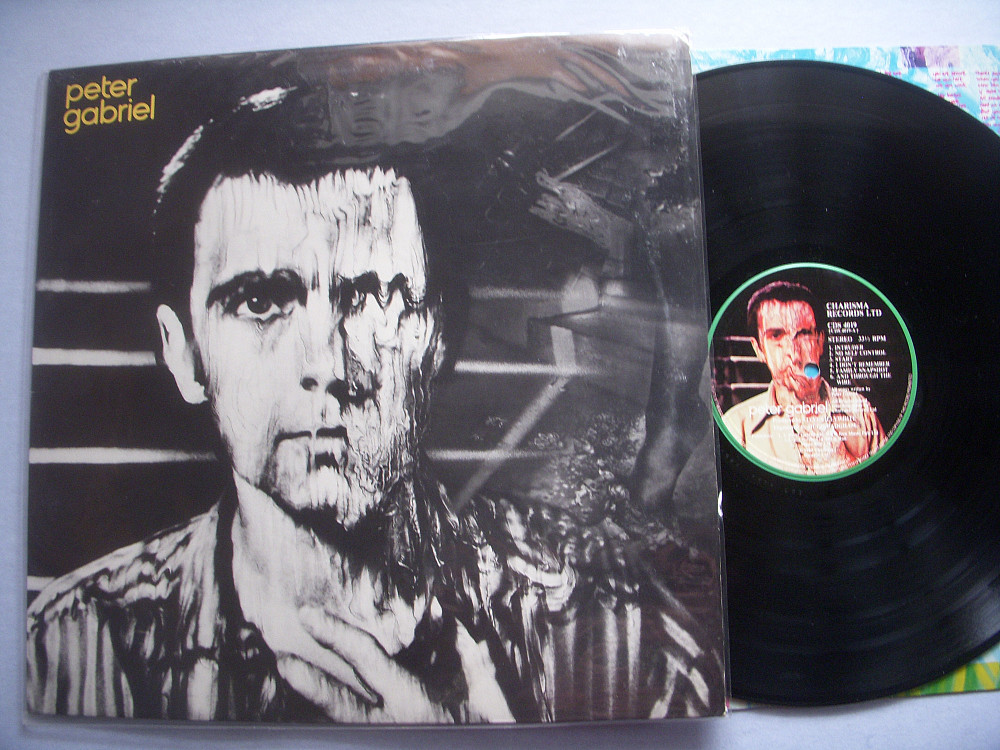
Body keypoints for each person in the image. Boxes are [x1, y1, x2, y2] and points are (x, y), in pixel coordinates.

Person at [26, 82, 721, 722]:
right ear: (183, 354)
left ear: (439, 334)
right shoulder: (72, 650)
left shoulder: (623, 633)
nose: (328, 366)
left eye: (373, 298)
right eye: (260, 301)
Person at [723, 281, 886, 475]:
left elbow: (882, 481)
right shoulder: (736, 425)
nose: (794, 353)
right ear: (759, 349)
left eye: (804, 334)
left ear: (820, 341)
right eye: (776, 336)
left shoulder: (860, 409)